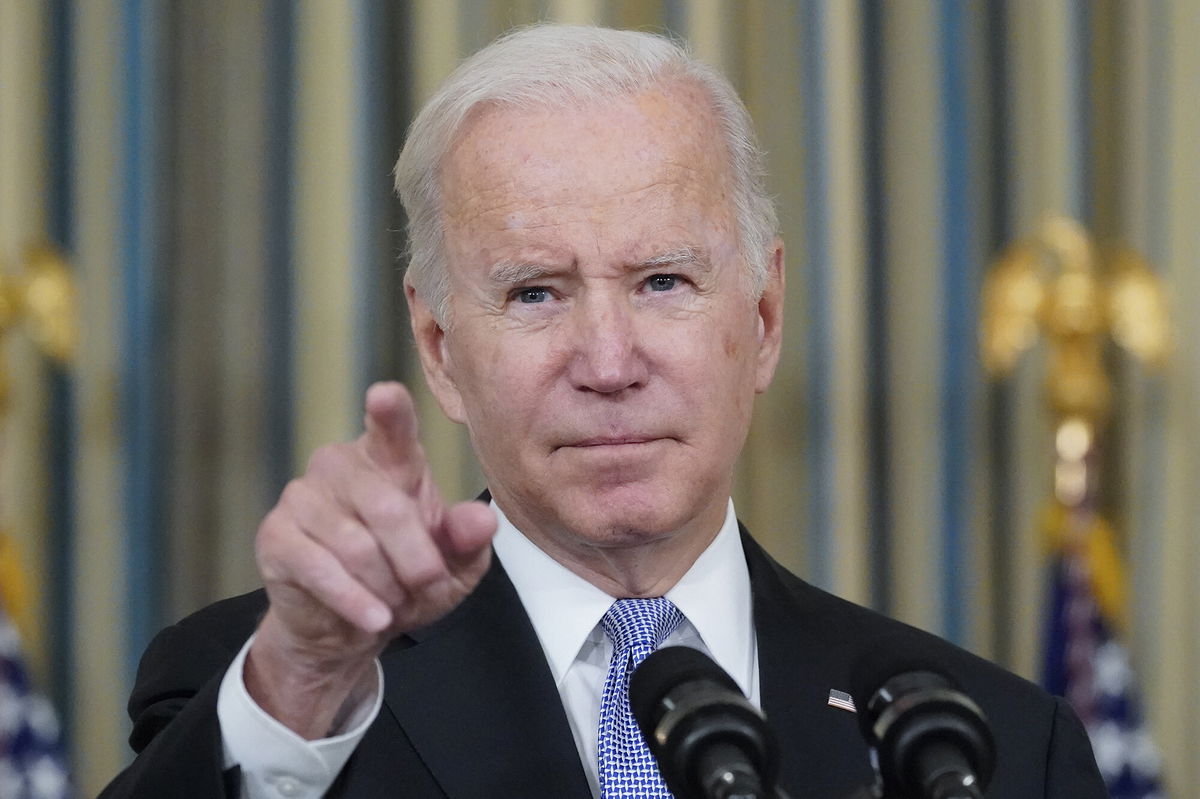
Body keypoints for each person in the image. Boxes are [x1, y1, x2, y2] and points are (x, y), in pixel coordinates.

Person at [100, 24, 1106, 799]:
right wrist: (302, 677)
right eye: (536, 292)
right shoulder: (282, 693)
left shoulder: (998, 746)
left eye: (664, 279)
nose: (609, 362)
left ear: (762, 318)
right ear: (442, 349)